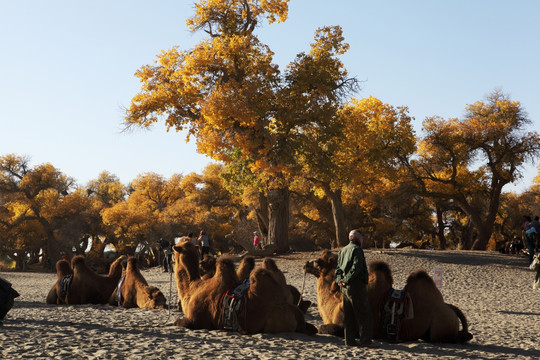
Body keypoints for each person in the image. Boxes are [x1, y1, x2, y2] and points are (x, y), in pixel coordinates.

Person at [335, 229, 374, 347]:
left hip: (344, 287)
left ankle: (349, 341)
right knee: (364, 314)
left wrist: (340, 280)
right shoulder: (357, 250)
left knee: (349, 315)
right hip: (356, 286)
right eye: (361, 238)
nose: (362, 240)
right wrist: (346, 279)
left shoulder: (342, 250)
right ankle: (365, 341)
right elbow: (356, 268)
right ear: (356, 238)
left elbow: (338, 269)